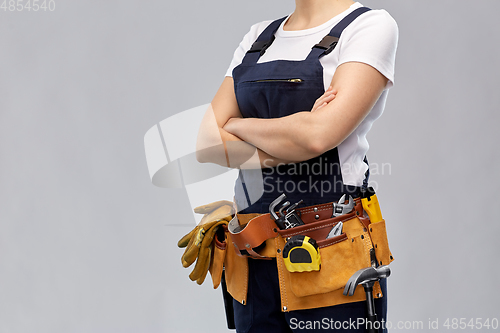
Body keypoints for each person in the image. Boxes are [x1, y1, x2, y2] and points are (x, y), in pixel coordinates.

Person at [195, 0, 398, 332]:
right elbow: (205, 143)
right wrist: (295, 137)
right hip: (253, 261)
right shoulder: (259, 37)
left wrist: (237, 125)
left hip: (331, 259)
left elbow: (318, 137)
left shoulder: (369, 27)